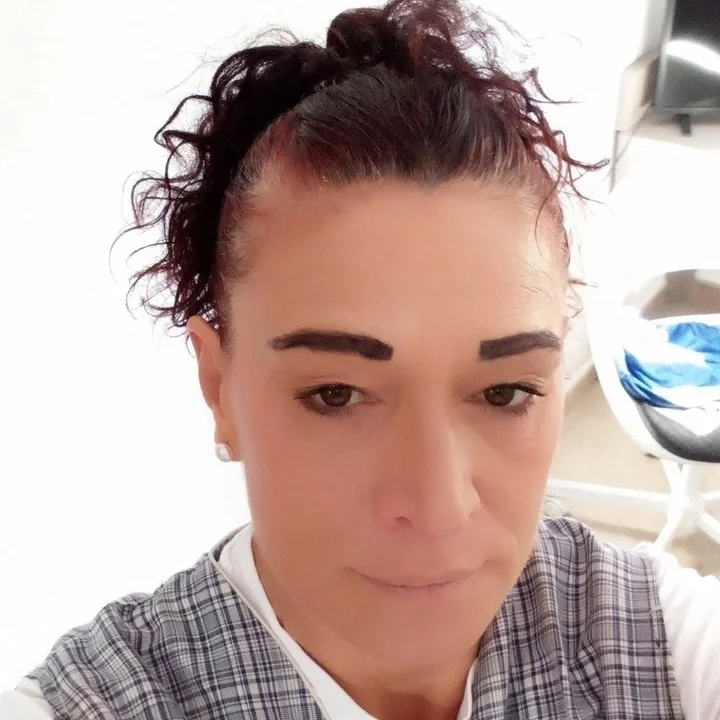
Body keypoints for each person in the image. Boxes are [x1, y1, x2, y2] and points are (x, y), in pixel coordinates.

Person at [2, 0, 719, 718]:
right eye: (336, 394)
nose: (438, 508)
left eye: (504, 392)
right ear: (219, 387)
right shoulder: (103, 702)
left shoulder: (651, 637)